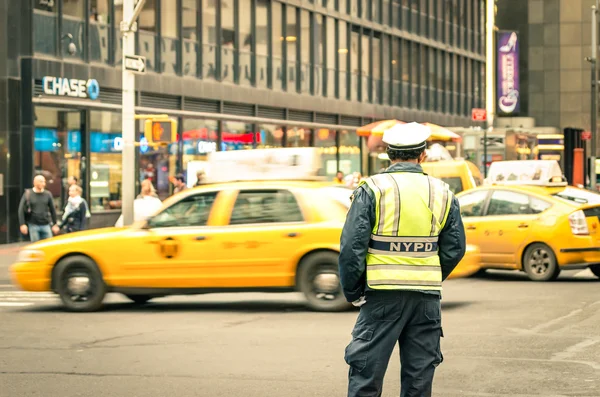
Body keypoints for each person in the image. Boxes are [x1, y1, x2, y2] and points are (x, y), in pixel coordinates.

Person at [339, 122, 466, 397]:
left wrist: (353, 291)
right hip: (426, 300)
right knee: (418, 382)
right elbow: (455, 248)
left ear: (387, 154)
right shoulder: (443, 193)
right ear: (423, 155)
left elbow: (352, 247)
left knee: (366, 376)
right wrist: (429, 273)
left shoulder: (372, 189)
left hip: (382, 297)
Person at [18, 175, 60, 242]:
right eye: (41, 182)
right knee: (36, 246)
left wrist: (55, 224)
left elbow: (53, 210)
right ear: (35, 182)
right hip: (33, 224)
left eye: (44, 182)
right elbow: (21, 210)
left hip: (46, 224)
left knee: (49, 244)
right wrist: (22, 224)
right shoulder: (28, 193)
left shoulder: (48, 194)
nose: (43, 184)